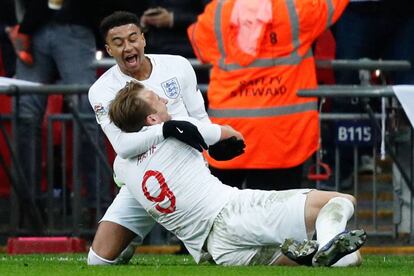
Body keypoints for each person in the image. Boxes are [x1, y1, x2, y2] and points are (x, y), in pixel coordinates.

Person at [108, 80, 366, 267]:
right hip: (233, 213)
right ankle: (329, 241)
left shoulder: (121, 163)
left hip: (215, 251)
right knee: (341, 201)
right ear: (152, 119)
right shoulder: (177, 131)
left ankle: (327, 251)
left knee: (347, 260)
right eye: (156, 99)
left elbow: (125, 175)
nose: (164, 100)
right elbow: (230, 134)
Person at [87, 11, 243, 265]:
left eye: (133, 38)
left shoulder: (177, 65)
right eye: (118, 43)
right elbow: (122, 147)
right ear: (108, 49)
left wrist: (213, 145)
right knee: (99, 262)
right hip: (140, 178)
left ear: (143, 39)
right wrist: (167, 129)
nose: (128, 47)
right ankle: (129, 240)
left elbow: (200, 118)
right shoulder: (102, 90)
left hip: (184, 173)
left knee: (220, 255)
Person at [187, 0, 350, 191]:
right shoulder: (296, 9)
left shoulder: (218, 11)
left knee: (223, 216)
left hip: (228, 136)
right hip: (281, 142)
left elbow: (201, 45)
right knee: (275, 218)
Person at [140, 0, 210, 58]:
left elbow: (211, 18)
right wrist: (142, 22)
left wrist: (173, 18)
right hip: (155, 50)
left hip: (188, 49)